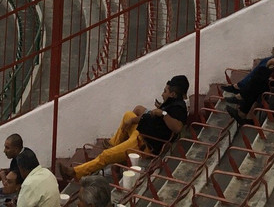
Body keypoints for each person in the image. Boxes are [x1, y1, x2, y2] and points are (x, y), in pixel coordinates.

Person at [59, 75, 190, 180]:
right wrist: (157, 110)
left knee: (105, 155)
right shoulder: (171, 104)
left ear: (173, 94)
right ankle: (114, 145)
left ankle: (75, 173)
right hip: (141, 133)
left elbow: (177, 127)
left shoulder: (178, 109)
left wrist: (162, 112)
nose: (162, 94)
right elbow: (151, 118)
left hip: (144, 144)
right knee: (128, 116)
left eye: (165, 91)